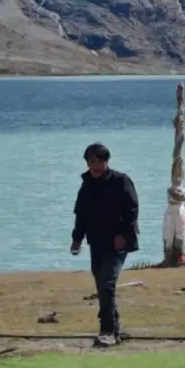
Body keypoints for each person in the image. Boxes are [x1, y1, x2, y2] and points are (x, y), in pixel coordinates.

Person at [70, 142, 139, 348]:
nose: (95, 166)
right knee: (102, 285)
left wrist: (123, 234)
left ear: (106, 161)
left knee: (107, 283)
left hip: (118, 243)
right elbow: (81, 215)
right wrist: (76, 239)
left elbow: (132, 210)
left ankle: (107, 331)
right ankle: (114, 330)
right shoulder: (86, 185)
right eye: (91, 162)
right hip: (96, 241)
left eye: (99, 161)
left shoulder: (121, 181)